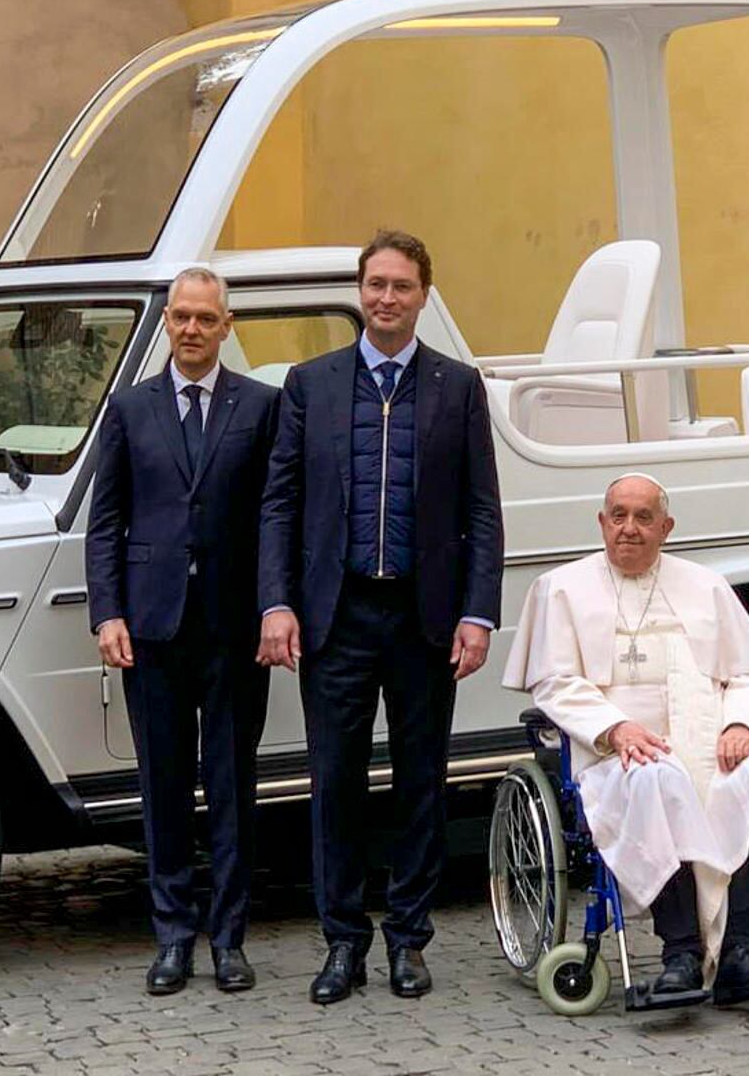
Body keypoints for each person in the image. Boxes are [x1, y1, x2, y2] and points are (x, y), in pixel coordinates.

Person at [257, 229, 504, 1004]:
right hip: (337, 617)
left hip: (425, 620)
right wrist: (277, 601)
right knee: (334, 784)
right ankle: (341, 942)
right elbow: (281, 503)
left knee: (420, 783)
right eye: (375, 285)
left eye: (401, 286)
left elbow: (481, 511)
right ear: (359, 293)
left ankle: (409, 940)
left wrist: (478, 614)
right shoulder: (312, 385)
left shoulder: (458, 388)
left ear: (424, 296)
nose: (386, 299)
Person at [504, 473, 749, 1004]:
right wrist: (616, 728)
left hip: (709, 741)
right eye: (618, 516)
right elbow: (554, 682)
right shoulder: (562, 589)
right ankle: (683, 954)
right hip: (614, 754)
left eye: (644, 518)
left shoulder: (705, 586)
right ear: (601, 523)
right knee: (658, 779)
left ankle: (739, 949)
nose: (629, 528)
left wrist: (740, 723)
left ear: (666, 528)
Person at [85, 267, 281, 995]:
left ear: (226, 326)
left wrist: (273, 605)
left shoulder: (261, 407)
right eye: (181, 318)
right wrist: (107, 612)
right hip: (152, 627)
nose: (192, 329)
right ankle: (172, 938)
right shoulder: (130, 409)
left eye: (206, 318)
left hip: (233, 631)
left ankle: (229, 939)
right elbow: (106, 521)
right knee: (163, 789)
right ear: (165, 324)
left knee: (233, 786)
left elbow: (274, 518)